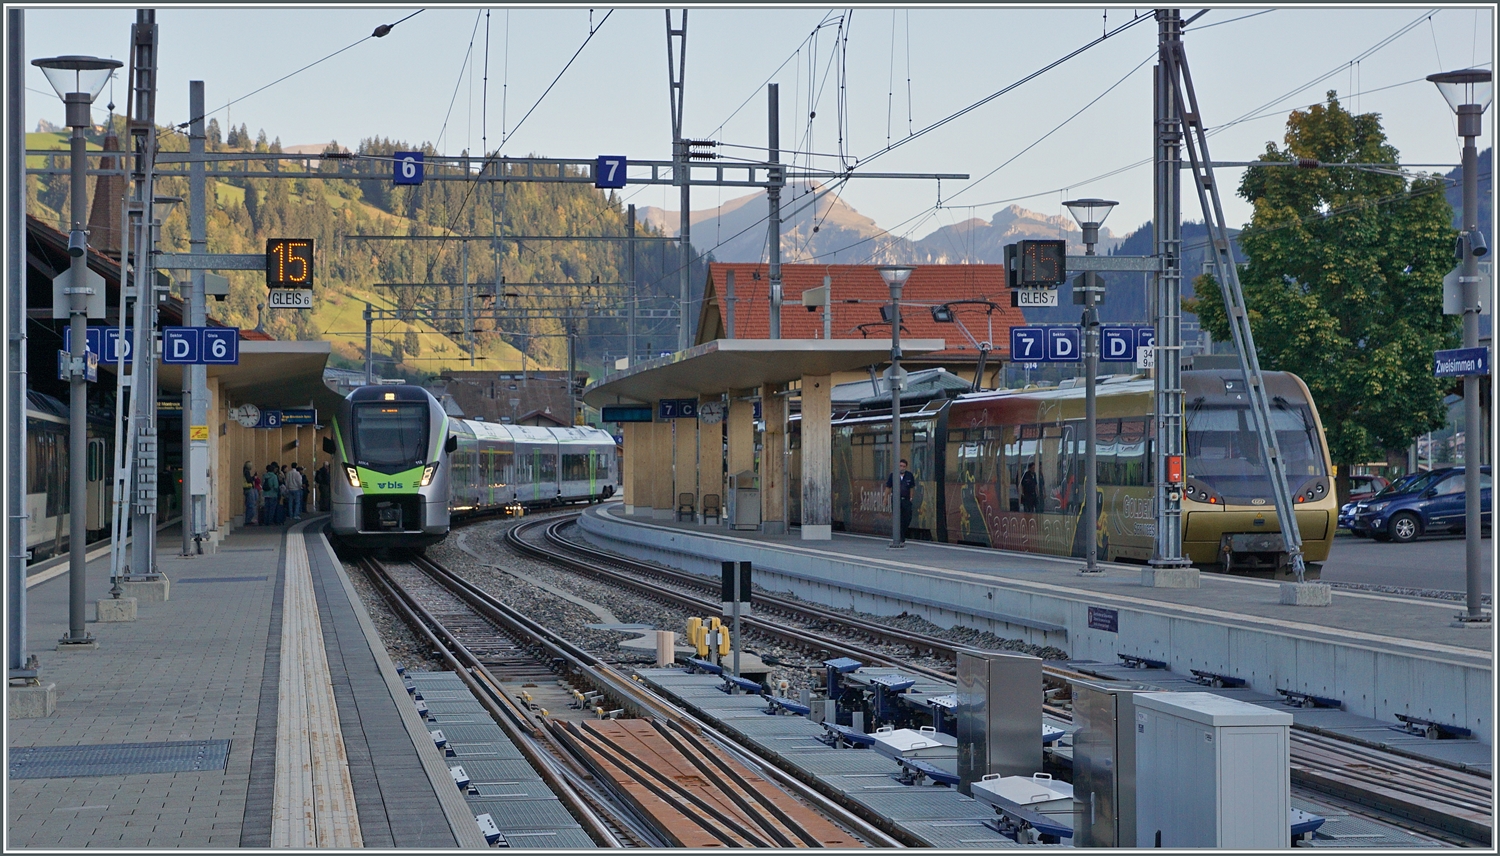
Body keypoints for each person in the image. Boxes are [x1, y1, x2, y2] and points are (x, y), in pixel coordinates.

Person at [885, 458, 916, 540]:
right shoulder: (893, 475)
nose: (902, 468)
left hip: (906, 500)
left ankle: (901, 534)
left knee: (907, 518)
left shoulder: (909, 475)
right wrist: (885, 499)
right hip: (896, 500)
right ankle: (900, 537)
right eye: (900, 466)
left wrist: (911, 497)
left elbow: (912, 487)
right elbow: (888, 487)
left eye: (904, 466)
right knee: (898, 518)